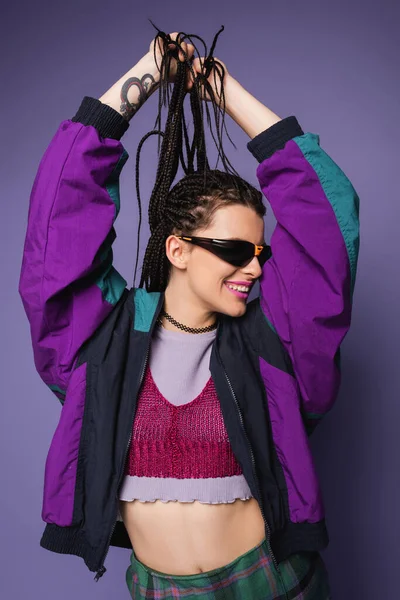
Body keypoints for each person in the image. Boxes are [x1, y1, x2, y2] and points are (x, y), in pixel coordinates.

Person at [18, 23, 360, 600]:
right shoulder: (103, 341)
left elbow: (326, 227)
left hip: (274, 585)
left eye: (260, 253)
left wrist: (222, 91)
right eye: (233, 251)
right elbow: (56, 234)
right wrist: (149, 74)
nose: (253, 269)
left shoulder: (272, 342)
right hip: (160, 590)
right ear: (177, 248)